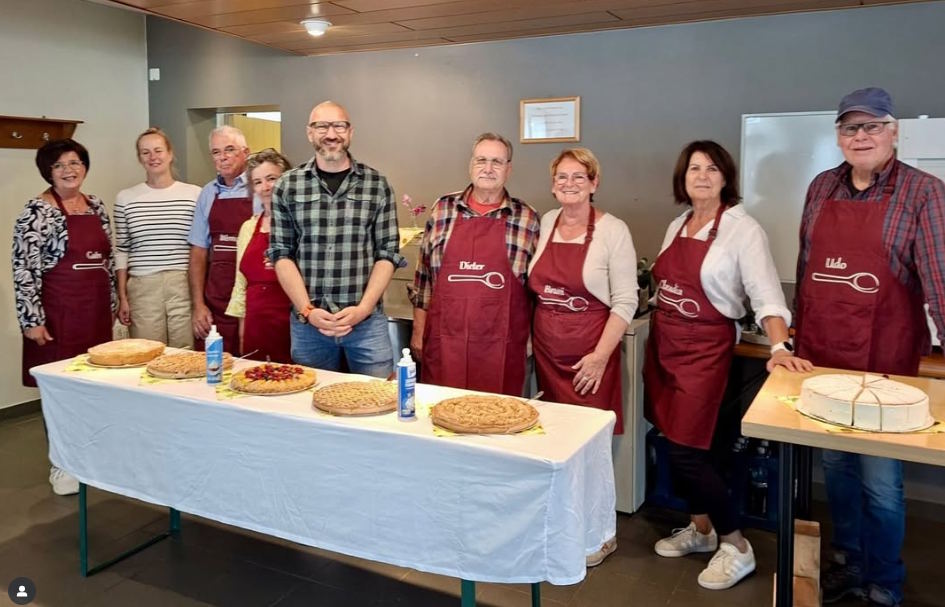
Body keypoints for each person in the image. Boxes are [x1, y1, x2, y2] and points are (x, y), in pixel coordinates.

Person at [795, 87, 945, 607]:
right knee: (836, 469)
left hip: (886, 364)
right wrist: (796, 335)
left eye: (871, 126)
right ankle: (847, 562)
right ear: (838, 136)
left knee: (881, 480)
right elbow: (808, 269)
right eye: (849, 128)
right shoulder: (821, 187)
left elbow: (941, 279)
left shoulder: (924, 192)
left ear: (894, 130)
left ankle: (884, 582)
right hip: (826, 358)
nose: (860, 137)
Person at [643, 140, 811, 590]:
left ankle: (736, 545)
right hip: (666, 343)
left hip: (705, 351)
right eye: (693, 168)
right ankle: (701, 531)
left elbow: (766, 294)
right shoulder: (679, 223)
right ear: (683, 178)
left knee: (688, 450)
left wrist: (780, 347)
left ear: (726, 177)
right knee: (674, 441)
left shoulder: (743, 229)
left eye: (711, 168)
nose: (701, 176)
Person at [12, 138, 116, 496]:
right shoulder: (37, 212)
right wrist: (31, 320)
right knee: (59, 392)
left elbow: (108, 261)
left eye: (75, 162)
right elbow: (23, 269)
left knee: (95, 388)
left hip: (97, 313)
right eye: (59, 166)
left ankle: (94, 455)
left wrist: (116, 303)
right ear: (48, 172)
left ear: (85, 166)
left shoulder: (97, 205)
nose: (69, 170)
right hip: (58, 315)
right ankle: (62, 463)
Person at [270, 101, 403, 377]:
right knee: (310, 406)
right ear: (310, 133)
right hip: (309, 326)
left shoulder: (377, 185)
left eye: (338, 126)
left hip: (366, 326)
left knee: (376, 403)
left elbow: (387, 254)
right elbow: (282, 255)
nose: (331, 134)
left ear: (350, 132)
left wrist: (363, 309)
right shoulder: (287, 186)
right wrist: (307, 310)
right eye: (322, 126)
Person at [410, 133, 539, 395]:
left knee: (497, 426)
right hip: (445, 344)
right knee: (441, 422)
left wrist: (532, 340)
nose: (488, 169)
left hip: (501, 347)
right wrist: (418, 331)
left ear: (508, 169)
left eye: (497, 162)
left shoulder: (527, 218)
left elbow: (537, 290)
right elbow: (423, 278)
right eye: (481, 160)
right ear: (471, 165)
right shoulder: (443, 208)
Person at [528, 148, 637, 433]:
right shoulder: (546, 222)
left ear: (594, 183)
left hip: (587, 359)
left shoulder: (614, 230)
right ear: (553, 185)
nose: (569, 183)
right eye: (562, 177)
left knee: (586, 438)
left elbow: (626, 301)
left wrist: (599, 358)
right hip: (547, 357)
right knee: (550, 436)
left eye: (579, 176)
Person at [115, 127, 200, 348]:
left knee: (185, 354)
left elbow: (199, 247)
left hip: (182, 283)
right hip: (143, 286)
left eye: (158, 150)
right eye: (145, 152)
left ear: (170, 153)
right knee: (147, 352)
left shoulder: (195, 195)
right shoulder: (126, 198)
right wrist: (122, 296)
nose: (153, 157)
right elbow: (122, 250)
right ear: (139, 158)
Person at [188, 125, 253, 354]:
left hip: (251, 299)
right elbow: (198, 253)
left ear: (246, 152)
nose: (223, 157)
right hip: (215, 299)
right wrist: (198, 305)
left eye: (230, 150)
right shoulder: (208, 193)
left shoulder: (260, 189)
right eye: (216, 152)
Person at [226, 149, 293, 362]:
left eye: (271, 178)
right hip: (255, 322)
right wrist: (242, 331)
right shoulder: (248, 228)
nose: (265, 187)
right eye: (257, 182)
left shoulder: (300, 225)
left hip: (292, 322)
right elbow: (240, 284)